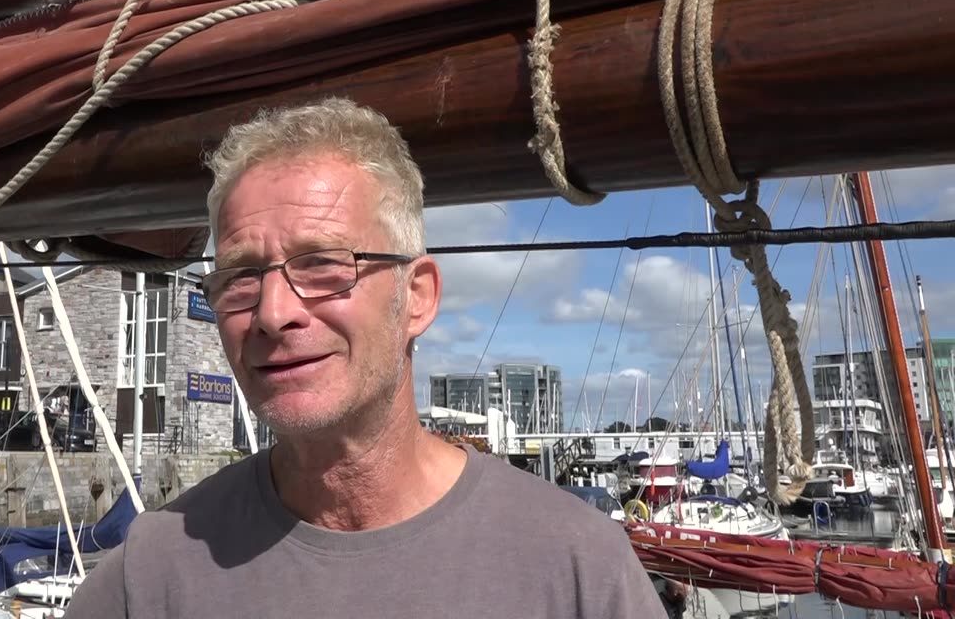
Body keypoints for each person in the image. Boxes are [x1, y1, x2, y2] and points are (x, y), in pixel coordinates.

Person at [66, 99, 665, 618]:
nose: (273, 312)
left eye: (323, 264)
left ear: (418, 298)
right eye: (241, 277)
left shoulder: (579, 567)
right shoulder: (147, 577)